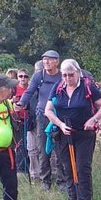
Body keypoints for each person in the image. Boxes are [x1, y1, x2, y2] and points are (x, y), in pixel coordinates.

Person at [43, 59, 101, 200]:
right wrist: (60, 124)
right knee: (67, 167)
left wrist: (93, 119)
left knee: (82, 167)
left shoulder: (88, 86)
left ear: (78, 73)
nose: (67, 78)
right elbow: (48, 110)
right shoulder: (59, 87)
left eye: (70, 75)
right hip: (64, 133)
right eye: (64, 75)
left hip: (84, 134)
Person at [19, 51, 65, 190]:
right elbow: (30, 91)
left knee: (60, 148)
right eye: (44, 60)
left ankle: (62, 181)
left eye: (49, 60)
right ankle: (45, 181)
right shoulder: (39, 75)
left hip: (60, 116)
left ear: (57, 61)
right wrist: (21, 103)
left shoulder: (62, 75)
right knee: (43, 149)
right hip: (42, 115)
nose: (46, 62)